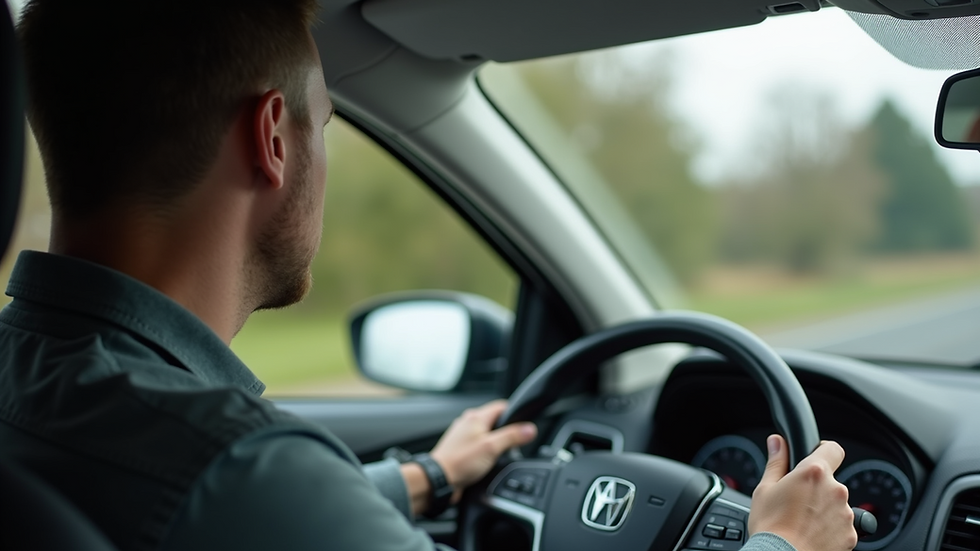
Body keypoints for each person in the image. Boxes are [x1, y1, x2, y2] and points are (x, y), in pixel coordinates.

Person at [0, 1, 858, 550]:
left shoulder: (40, 391)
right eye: (324, 125)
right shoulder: (235, 469)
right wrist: (783, 543)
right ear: (272, 138)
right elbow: (233, 494)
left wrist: (428, 475)